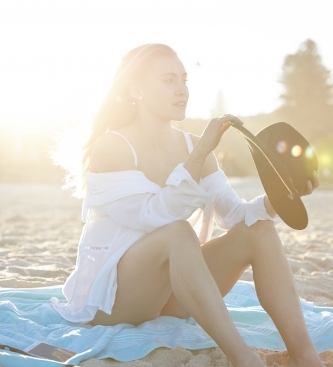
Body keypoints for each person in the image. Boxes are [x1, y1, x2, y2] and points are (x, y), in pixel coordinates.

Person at [52, 43, 323, 367]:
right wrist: (197, 156)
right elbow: (154, 215)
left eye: (184, 80)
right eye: (168, 81)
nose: (181, 90)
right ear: (136, 88)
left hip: (174, 295)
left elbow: (236, 216)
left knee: (259, 231)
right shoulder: (113, 146)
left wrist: (281, 197)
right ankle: (244, 359)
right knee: (178, 232)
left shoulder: (194, 145)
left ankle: (304, 356)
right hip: (115, 300)